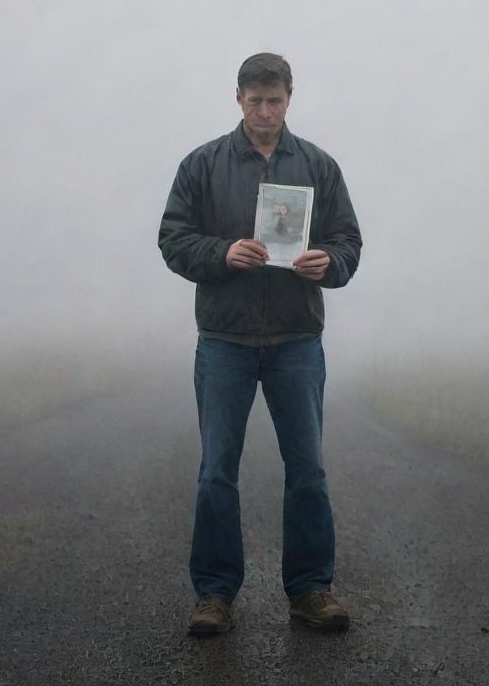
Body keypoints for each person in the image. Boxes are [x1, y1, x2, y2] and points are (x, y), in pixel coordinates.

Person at [158, 52, 362, 636]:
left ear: (290, 97)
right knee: (217, 471)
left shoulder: (319, 166)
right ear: (238, 98)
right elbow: (173, 239)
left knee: (307, 471)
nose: (266, 111)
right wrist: (221, 254)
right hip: (224, 340)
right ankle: (215, 595)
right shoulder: (201, 165)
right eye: (256, 101)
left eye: (275, 100)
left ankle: (311, 590)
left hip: (298, 341)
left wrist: (331, 263)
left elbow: (347, 241)